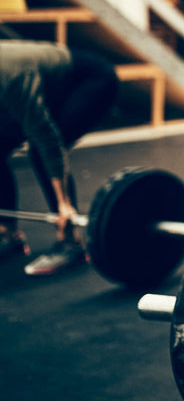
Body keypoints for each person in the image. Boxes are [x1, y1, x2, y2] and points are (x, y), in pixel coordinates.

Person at [0, 40, 118, 275]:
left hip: (91, 81)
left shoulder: (12, 77)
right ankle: (8, 234)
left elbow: (48, 140)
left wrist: (63, 203)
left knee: (39, 148)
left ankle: (71, 240)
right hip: (48, 87)